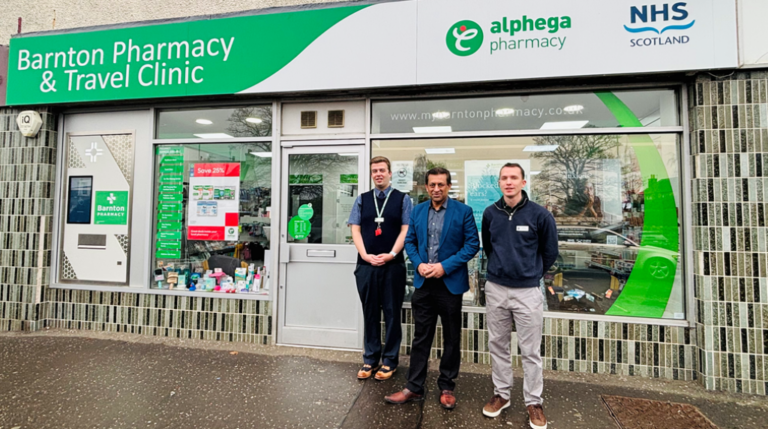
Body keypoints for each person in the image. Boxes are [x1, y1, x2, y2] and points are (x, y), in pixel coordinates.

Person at [385, 167, 479, 410]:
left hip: (449, 284)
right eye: (432, 185)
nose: (436, 189)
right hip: (424, 283)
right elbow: (410, 241)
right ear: (426, 187)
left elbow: (472, 245)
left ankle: (447, 387)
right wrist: (419, 264)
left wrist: (443, 267)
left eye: (441, 184)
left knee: (451, 338)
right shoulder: (417, 211)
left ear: (449, 186)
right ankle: (414, 387)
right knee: (421, 338)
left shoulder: (463, 211)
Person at [480, 163, 558, 429]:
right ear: (499, 182)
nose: (509, 182)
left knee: (530, 351)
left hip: (527, 292)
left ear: (523, 182)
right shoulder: (490, 213)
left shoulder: (540, 215)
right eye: (504, 178)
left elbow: (550, 252)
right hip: (497, 288)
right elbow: (489, 247)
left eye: (514, 178)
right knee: (498, 345)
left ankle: (533, 402)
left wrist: (530, 272)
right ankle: (502, 394)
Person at [348, 156, 413, 381]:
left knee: (393, 313)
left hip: (392, 266)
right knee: (370, 312)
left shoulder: (403, 200)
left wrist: (393, 254)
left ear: (390, 173)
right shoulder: (362, 200)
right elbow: (355, 230)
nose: (378, 174)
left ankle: (390, 361)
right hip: (366, 266)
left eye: (382, 170)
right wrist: (365, 255)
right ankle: (370, 358)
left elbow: (406, 230)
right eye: (374, 170)